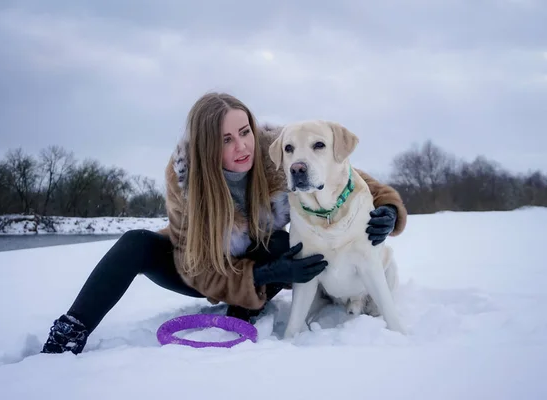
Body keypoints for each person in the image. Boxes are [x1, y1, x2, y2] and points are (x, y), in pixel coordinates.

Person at [41, 92, 408, 355]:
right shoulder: (184, 180)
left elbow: (346, 174)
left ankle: (247, 306)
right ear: (205, 146)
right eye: (226, 139)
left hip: (261, 253)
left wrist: (388, 209)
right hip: (199, 265)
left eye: (245, 132)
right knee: (135, 242)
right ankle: (70, 330)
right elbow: (195, 269)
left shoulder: (278, 149)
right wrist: (259, 278)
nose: (242, 146)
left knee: (284, 246)